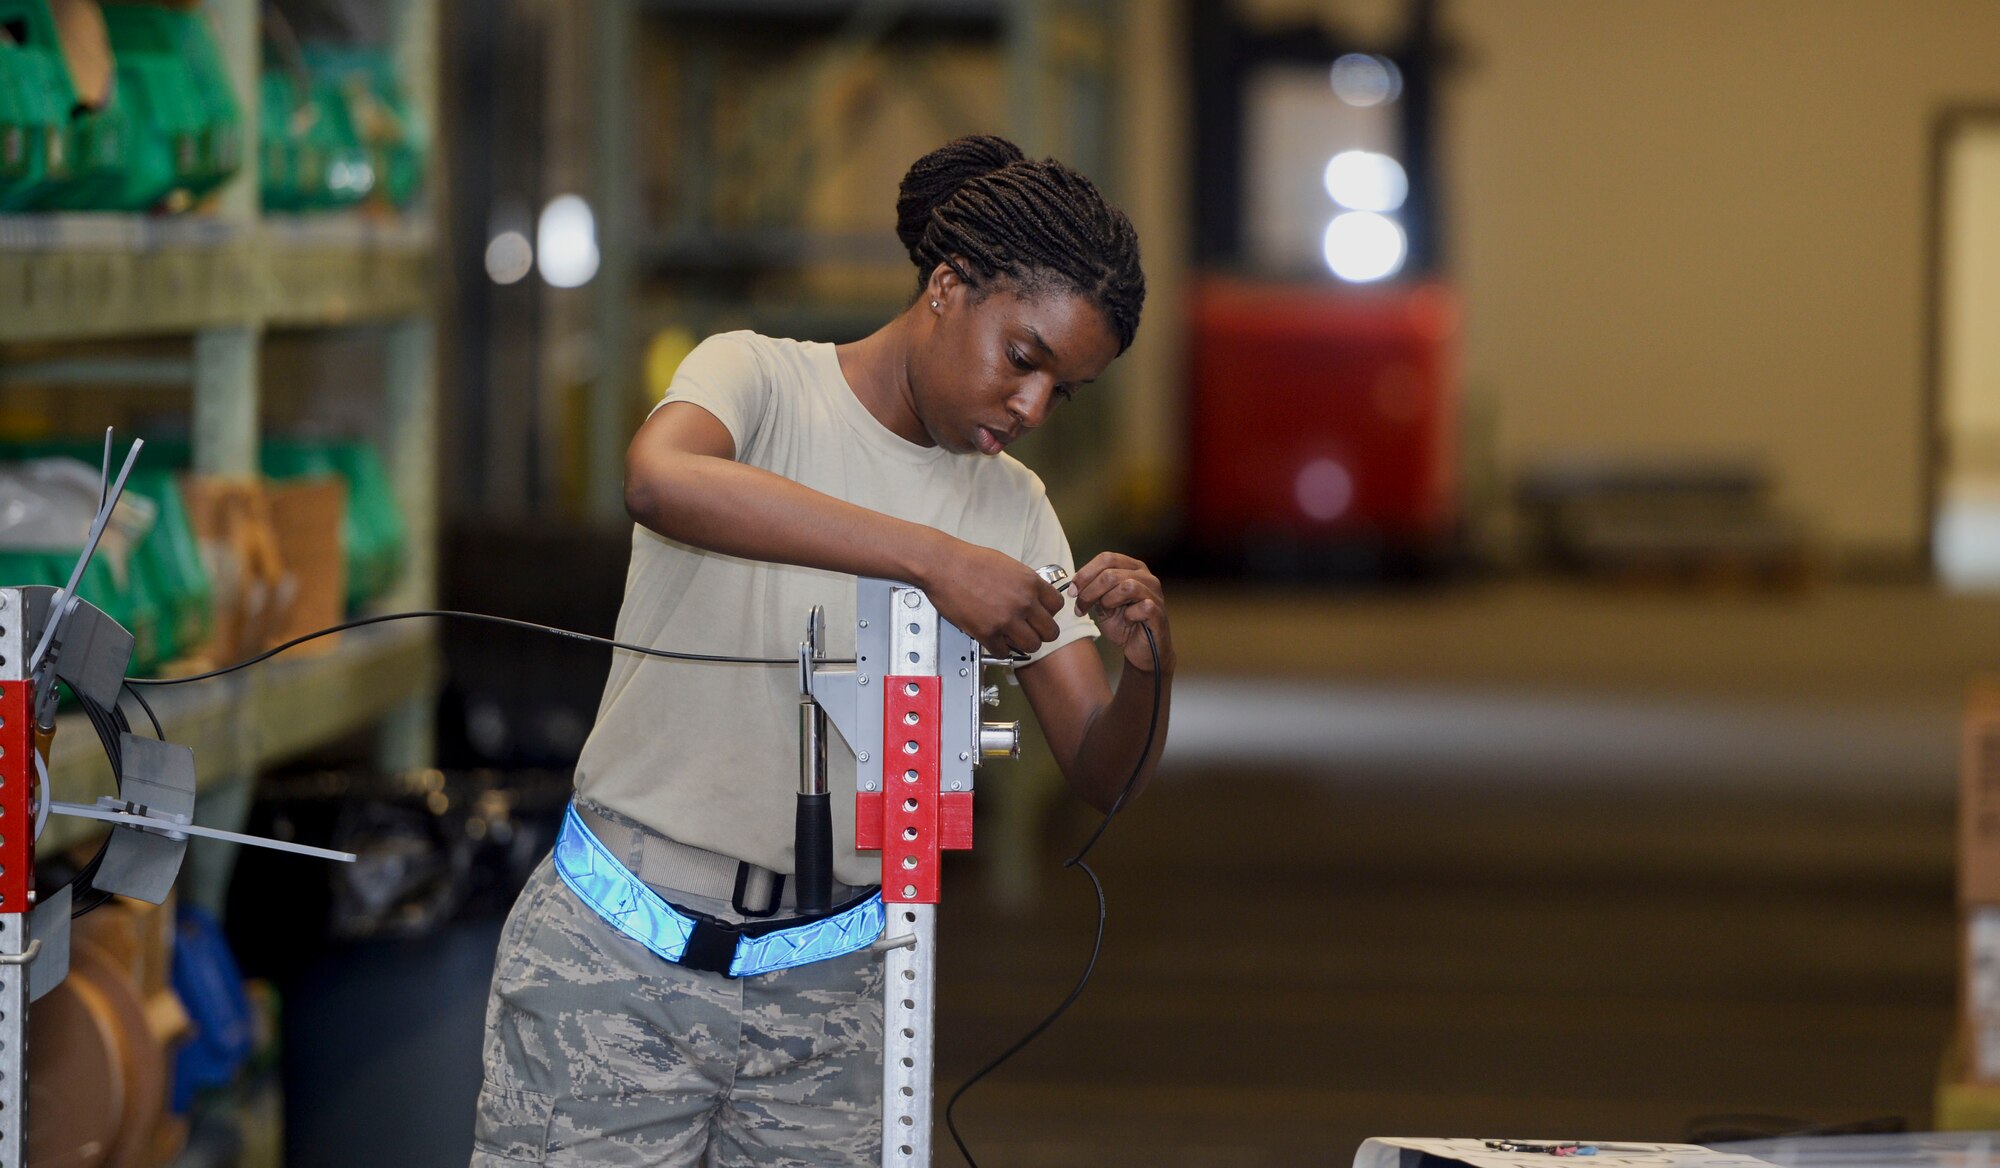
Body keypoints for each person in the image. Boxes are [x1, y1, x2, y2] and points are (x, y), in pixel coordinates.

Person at [470, 134, 1175, 1167]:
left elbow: (1101, 770)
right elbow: (660, 479)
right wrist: (933, 560)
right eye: (1023, 359)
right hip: (621, 965)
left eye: (1062, 391)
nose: (1031, 407)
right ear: (947, 287)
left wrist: (1149, 662)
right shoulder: (755, 378)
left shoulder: (1015, 508)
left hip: (837, 1003)